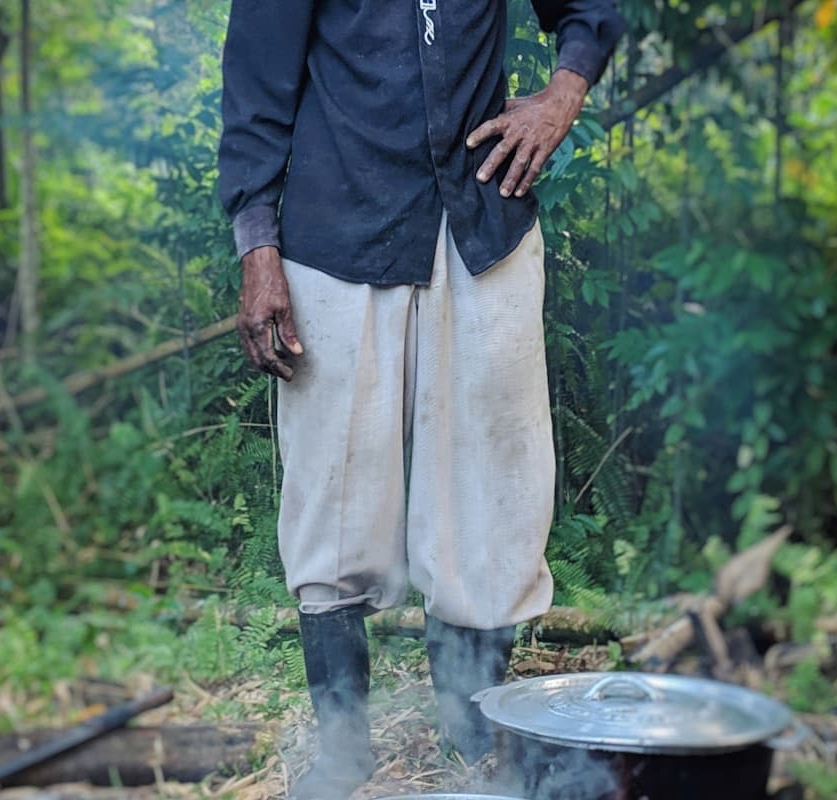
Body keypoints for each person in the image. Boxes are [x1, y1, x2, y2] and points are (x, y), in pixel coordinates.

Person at [217, 2, 625, 797]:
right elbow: (255, 86)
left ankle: (472, 746)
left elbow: (590, 10)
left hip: (482, 222)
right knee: (331, 500)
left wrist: (562, 95)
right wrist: (258, 248)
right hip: (338, 230)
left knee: (493, 491)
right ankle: (341, 751)